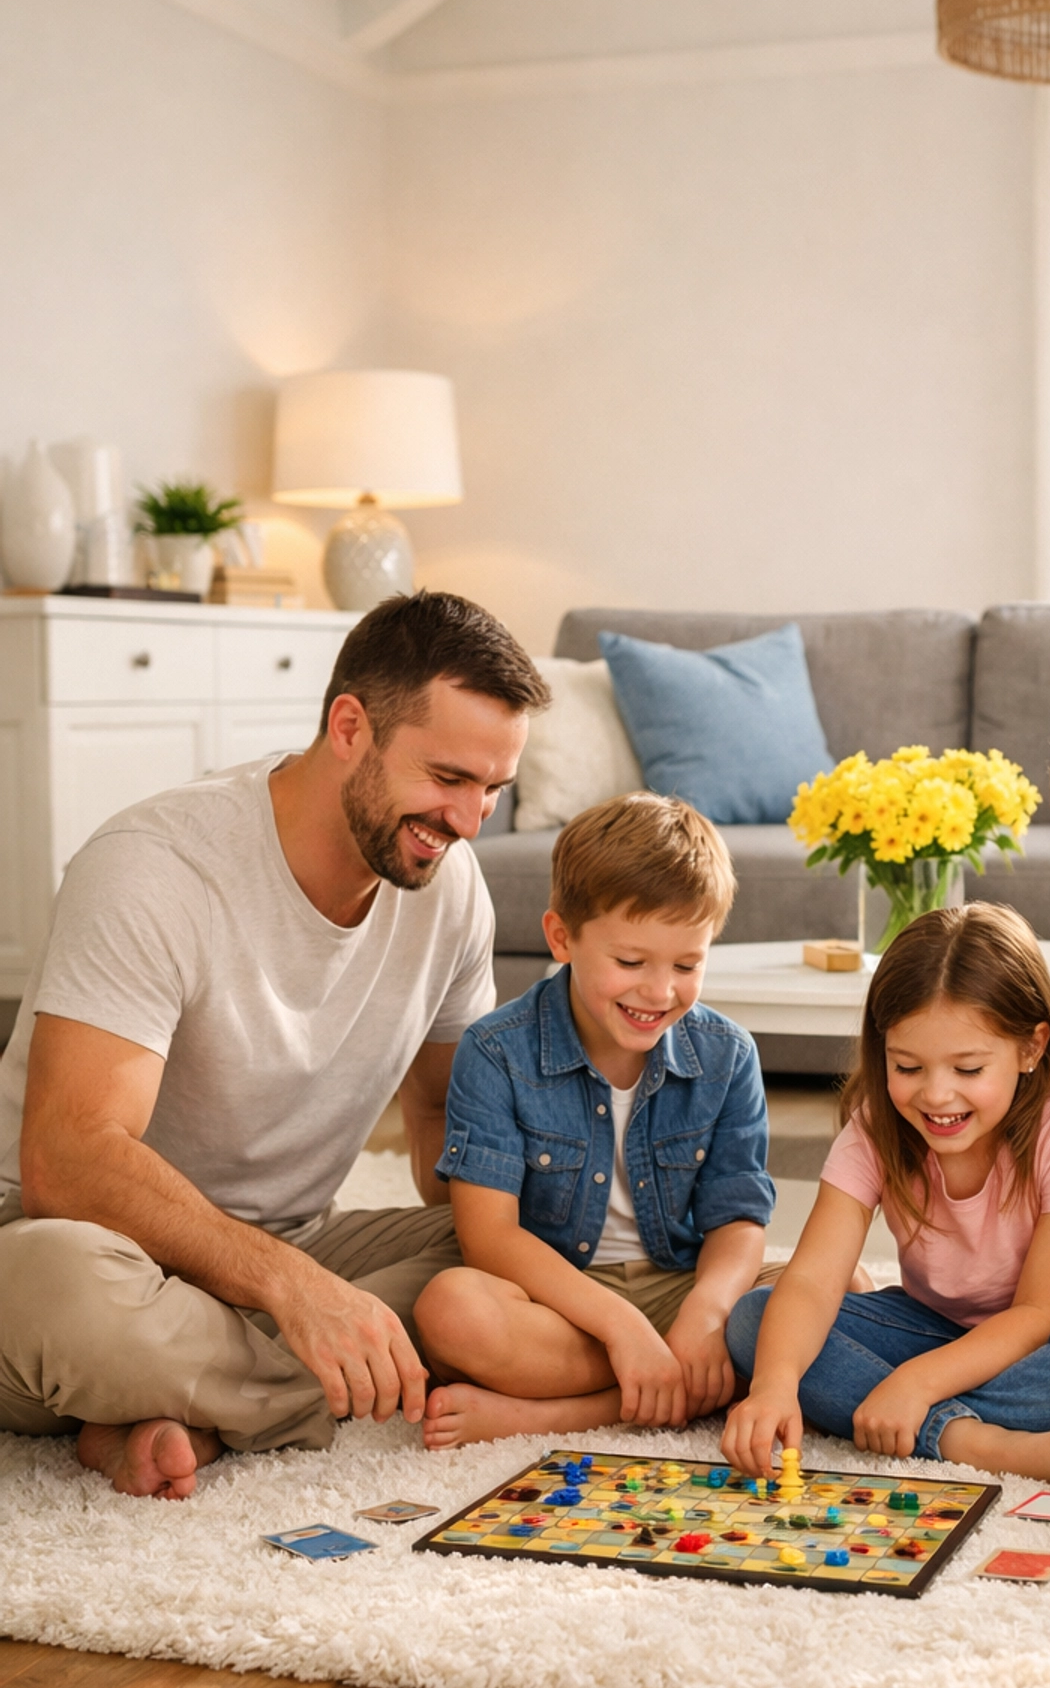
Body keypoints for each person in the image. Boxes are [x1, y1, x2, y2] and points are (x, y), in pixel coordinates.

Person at [0, 591, 548, 1500]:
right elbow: (67, 1158)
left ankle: (175, 1403)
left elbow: (449, 1133)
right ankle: (321, 1386)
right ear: (348, 726)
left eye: (494, 789)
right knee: (66, 1292)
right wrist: (295, 1293)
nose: (470, 820)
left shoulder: (451, 893)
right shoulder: (155, 867)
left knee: (510, 1252)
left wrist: (595, 1252)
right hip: (70, 1238)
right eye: (449, 777)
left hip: (296, 1246)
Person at [722, 903, 1050, 1487]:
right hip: (937, 1330)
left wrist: (915, 1382)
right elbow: (811, 1278)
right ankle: (965, 1438)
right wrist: (775, 1388)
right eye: (908, 1066)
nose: (937, 1096)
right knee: (756, 1324)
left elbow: (1040, 1311)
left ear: (1032, 1048)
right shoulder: (875, 1126)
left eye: (967, 1069)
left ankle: (912, 1412)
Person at [415, 791, 779, 1448]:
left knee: (840, 1294)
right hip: (560, 1303)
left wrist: (706, 1311)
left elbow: (739, 1219)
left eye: (687, 964)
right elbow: (489, 1238)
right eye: (631, 962)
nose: (659, 991)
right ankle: (671, 1386)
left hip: (681, 1289)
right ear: (562, 938)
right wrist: (623, 1328)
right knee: (452, 1311)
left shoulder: (728, 1055)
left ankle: (556, 1415)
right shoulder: (497, 1051)